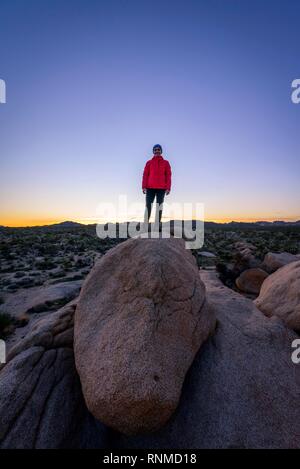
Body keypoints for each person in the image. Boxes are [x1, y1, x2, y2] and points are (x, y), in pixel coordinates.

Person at [142, 144, 172, 225]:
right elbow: (145, 175)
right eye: (155, 149)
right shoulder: (149, 163)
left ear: (161, 151)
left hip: (161, 188)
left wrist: (168, 188)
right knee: (148, 206)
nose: (157, 151)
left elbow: (168, 175)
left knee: (159, 207)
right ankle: (145, 225)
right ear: (153, 151)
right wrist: (144, 186)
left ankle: (157, 226)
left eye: (158, 149)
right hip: (150, 188)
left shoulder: (166, 163)